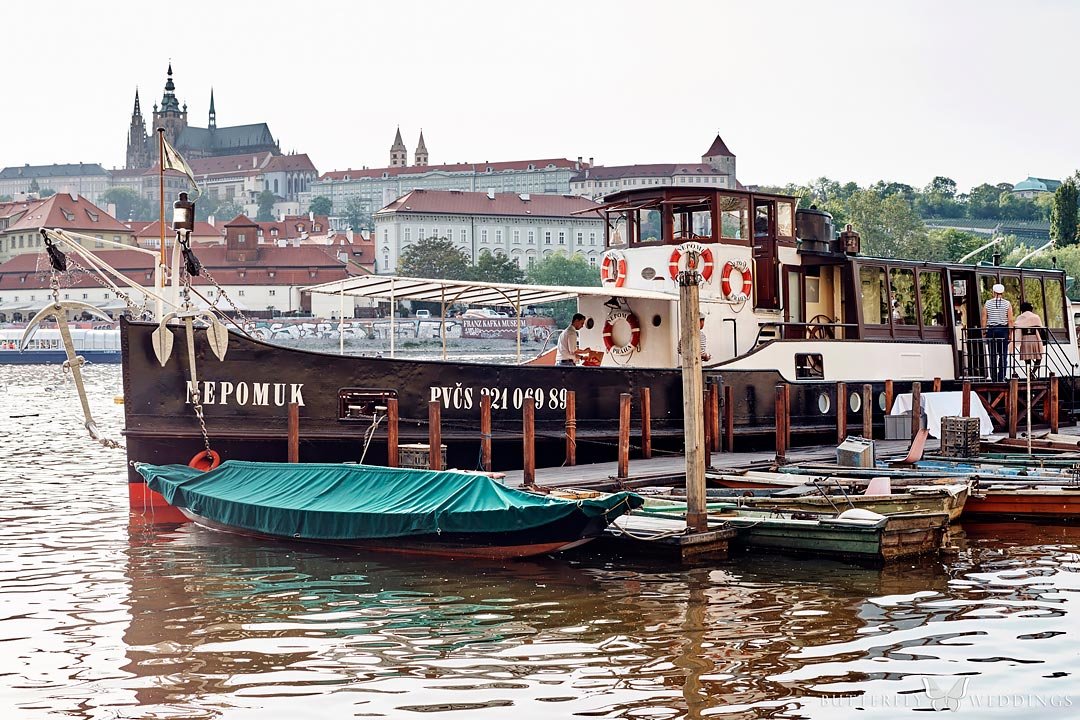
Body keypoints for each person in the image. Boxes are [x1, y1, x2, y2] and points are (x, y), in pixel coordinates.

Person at [981, 283, 1013, 382]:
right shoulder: (1007, 304)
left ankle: (994, 378)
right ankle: (1001, 377)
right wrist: (1010, 334)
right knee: (1003, 355)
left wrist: (984, 331)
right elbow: (1010, 320)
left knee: (992, 355)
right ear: (1002, 293)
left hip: (991, 330)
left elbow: (984, 319)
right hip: (1003, 330)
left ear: (993, 292)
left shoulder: (987, 303)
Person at [1013, 301, 1044, 373]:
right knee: (1039, 357)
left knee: (1027, 359)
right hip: (1035, 339)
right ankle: (1033, 372)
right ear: (1031, 309)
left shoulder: (1020, 317)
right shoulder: (1036, 317)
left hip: (1025, 339)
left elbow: (1016, 327)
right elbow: (1040, 328)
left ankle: (1029, 374)